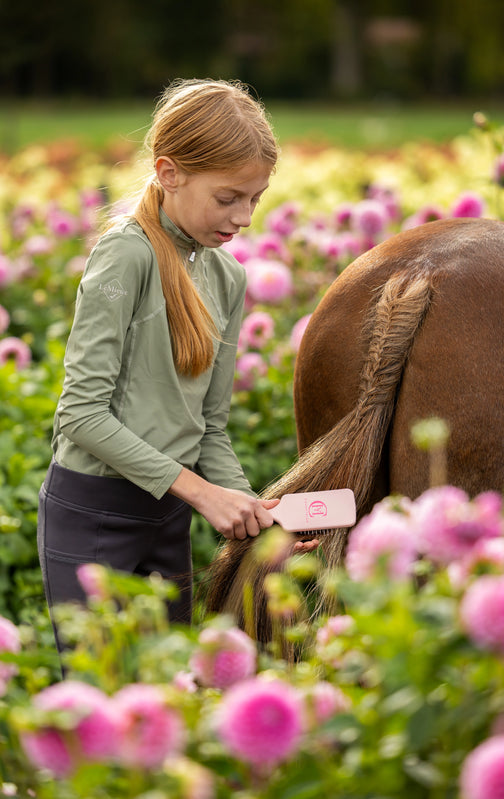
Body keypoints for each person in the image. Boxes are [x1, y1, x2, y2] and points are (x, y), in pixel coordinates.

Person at [37, 78, 283, 651]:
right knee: (106, 697)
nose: (244, 216)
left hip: (168, 517)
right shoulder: (127, 254)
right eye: (228, 198)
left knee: (165, 696)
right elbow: (81, 415)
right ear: (169, 173)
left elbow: (210, 430)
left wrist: (251, 516)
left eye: (256, 198)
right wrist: (202, 494)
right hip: (93, 514)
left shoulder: (227, 277)